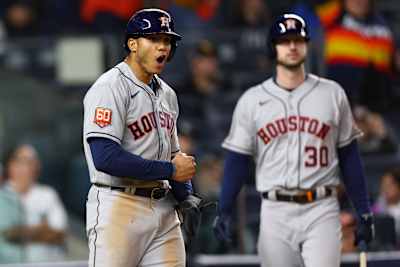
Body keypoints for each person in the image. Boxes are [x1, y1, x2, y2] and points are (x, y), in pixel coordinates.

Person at [213, 13, 374, 267]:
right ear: (273, 47)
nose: (291, 46)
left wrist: (363, 209)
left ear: (306, 45)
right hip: (275, 209)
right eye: (284, 41)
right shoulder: (252, 100)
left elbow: (349, 156)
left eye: (297, 40)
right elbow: (237, 160)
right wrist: (224, 209)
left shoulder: (332, 93)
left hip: (322, 207)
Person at [83, 8, 203, 267]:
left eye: (167, 41)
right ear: (133, 44)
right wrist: (171, 170)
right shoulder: (110, 87)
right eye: (154, 39)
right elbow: (105, 157)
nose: (163, 47)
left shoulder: (168, 94)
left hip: (163, 208)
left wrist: (186, 196)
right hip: (118, 205)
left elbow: (172, 153)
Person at [0, 143, 68, 263]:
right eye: (23, 161)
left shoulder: (48, 194)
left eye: (32, 162)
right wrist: (42, 229)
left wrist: (17, 233)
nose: (28, 167)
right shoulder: (3, 195)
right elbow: (4, 234)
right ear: (10, 165)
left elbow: (59, 234)